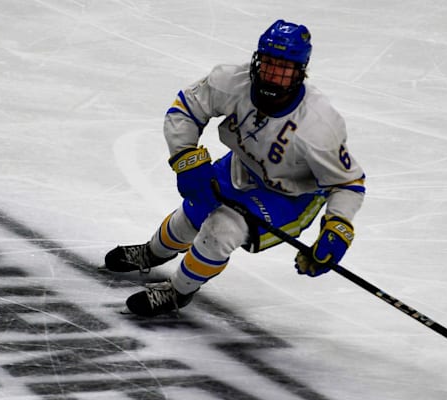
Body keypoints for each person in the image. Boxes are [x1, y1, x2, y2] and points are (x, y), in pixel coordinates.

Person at [104, 19, 366, 317]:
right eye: (268, 64)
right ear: (256, 60)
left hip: (290, 195)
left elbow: (348, 183)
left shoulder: (319, 125)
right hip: (243, 166)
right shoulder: (231, 81)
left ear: (300, 73)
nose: (272, 76)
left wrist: (338, 227)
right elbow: (185, 110)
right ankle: (152, 252)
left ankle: (178, 291)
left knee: (221, 230)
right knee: (195, 210)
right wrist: (185, 157)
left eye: (283, 69)